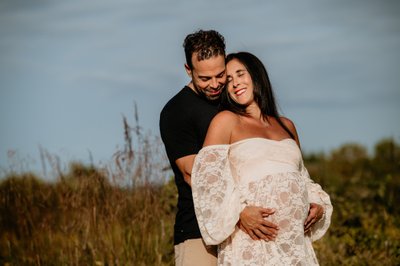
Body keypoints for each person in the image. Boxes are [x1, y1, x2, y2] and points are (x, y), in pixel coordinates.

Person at [191, 52, 333, 265]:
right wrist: (240, 213)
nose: (235, 83)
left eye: (240, 74)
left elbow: (302, 178)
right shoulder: (226, 121)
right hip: (253, 242)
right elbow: (208, 181)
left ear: (256, 75)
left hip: (293, 243)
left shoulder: (286, 125)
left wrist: (317, 204)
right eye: (228, 80)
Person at [160, 31, 283, 266]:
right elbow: (193, 174)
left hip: (245, 233)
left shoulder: (233, 99)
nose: (215, 84)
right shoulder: (176, 111)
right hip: (200, 233)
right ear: (188, 69)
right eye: (205, 78)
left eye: (220, 75)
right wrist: (240, 211)